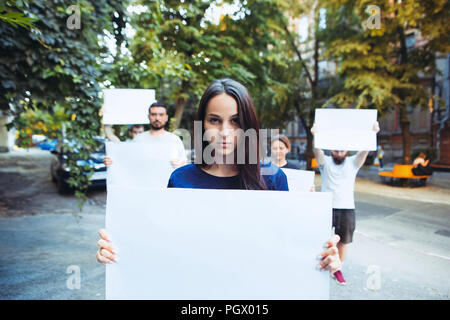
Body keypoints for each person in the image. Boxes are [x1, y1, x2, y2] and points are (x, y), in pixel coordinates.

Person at [97, 79, 342, 279]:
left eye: (235, 121)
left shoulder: (273, 179)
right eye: (215, 120)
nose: (225, 132)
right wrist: (119, 251)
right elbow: (164, 247)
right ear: (202, 124)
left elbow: (288, 249)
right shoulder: (181, 179)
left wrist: (321, 254)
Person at [311, 121, 380, 285]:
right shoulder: (325, 162)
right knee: (323, 238)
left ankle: (337, 269)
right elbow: (316, 150)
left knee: (343, 241)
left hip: (347, 208)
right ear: (331, 150)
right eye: (335, 149)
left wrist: (373, 133)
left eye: (342, 149)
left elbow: (365, 150)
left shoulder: (353, 162)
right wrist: (315, 134)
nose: (339, 151)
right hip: (326, 207)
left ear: (347, 150)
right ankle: (322, 265)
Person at [103, 102, 187, 169]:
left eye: (161, 115)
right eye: (153, 114)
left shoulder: (175, 140)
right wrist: (112, 162)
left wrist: (181, 164)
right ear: (148, 116)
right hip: (144, 187)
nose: (157, 118)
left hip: (167, 187)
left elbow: (184, 164)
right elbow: (127, 162)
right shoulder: (138, 139)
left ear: (166, 117)